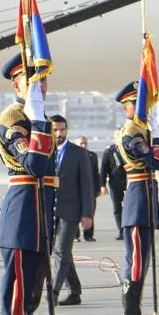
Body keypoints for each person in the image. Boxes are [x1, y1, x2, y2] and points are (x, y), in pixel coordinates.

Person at [0, 52, 64, 315]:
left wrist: (39, 120)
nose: (40, 86)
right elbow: (34, 164)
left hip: (38, 218)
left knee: (30, 301)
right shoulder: (13, 119)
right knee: (17, 301)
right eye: (32, 80)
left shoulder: (40, 119)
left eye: (43, 80)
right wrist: (36, 121)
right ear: (16, 84)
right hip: (22, 218)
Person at [113, 82, 159, 315]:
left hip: (144, 201)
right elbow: (154, 161)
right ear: (125, 107)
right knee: (136, 262)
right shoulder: (131, 132)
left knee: (141, 261)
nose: (141, 108)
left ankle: (135, 313)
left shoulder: (141, 131)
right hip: (137, 202)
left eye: (142, 103)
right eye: (135, 103)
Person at [49, 115, 96, 305]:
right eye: (55, 130)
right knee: (61, 250)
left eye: (62, 129)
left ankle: (53, 291)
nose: (58, 133)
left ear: (67, 130)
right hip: (50, 209)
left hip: (71, 210)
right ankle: (75, 291)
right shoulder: (45, 152)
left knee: (61, 250)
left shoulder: (78, 153)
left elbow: (87, 186)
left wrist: (87, 214)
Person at [100, 138, 126, 240]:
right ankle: (121, 231)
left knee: (130, 206)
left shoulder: (128, 148)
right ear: (114, 139)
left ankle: (130, 229)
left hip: (129, 180)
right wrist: (102, 185)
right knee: (117, 207)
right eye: (117, 137)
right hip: (115, 181)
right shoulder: (109, 151)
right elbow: (103, 170)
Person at [77, 136, 99, 240]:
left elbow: (96, 173)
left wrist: (98, 187)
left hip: (90, 189)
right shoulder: (72, 156)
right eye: (81, 143)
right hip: (75, 189)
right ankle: (75, 235)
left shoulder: (92, 156)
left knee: (90, 212)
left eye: (85, 143)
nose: (83, 145)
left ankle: (88, 235)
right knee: (74, 213)